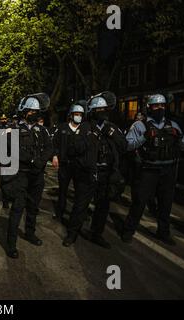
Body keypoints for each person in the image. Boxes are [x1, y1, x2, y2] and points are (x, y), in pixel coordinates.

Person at [122, 94, 184, 245]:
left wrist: (179, 138)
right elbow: (127, 145)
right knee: (139, 202)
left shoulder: (173, 125)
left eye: (162, 106)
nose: (160, 109)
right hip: (148, 170)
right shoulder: (140, 125)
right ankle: (128, 230)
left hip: (168, 170)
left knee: (165, 203)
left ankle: (163, 232)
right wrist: (145, 136)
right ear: (149, 108)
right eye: (156, 106)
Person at [63, 92, 127, 248]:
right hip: (87, 174)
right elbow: (73, 148)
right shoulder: (84, 127)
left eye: (104, 109)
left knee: (103, 207)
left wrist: (111, 134)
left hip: (106, 174)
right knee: (80, 206)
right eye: (98, 110)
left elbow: (124, 146)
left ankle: (96, 234)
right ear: (92, 112)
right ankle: (72, 235)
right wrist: (91, 137)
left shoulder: (111, 127)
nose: (102, 112)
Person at [0, 93, 53, 259]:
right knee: (17, 209)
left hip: (37, 176)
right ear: (23, 111)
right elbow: (12, 149)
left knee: (33, 207)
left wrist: (41, 161)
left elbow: (49, 148)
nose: (34, 114)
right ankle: (11, 244)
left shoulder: (42, 130)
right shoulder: (13, 129)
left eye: (36, 111)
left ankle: (30, 233)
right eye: (30, 111)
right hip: (20, 175)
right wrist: (31, 160)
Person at [52, 103, 86, 222]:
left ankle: (79, 214)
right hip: (65, 165)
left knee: (80, 192)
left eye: (80, 115)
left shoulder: (84, 129)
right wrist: (55, 156)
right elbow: (54, 142)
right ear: (71, 115)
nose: (78, 117)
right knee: (62, 191)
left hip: (79, 165)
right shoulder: (62, 128)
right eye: (76, 114)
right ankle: (60, 212)